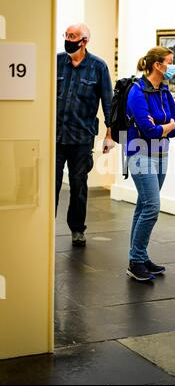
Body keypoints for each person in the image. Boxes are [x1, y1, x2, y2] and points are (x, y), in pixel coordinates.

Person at [56, 23, 114, 247]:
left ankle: (77, 229)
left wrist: (110, 135)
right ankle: (45, 226)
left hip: (82, 136)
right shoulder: (58, 62)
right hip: (56, 135)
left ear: (84, 41)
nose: (68, 39)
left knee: (79, 184)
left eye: (73, 36)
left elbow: (108, 103)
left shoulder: (98, 67)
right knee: (52, 184)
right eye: (67, 35)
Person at [125, 47, 175, 281]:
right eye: (170, 62)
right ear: (157, 65)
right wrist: (163, 127)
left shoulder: (164, 92)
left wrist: (163, 128)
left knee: (143, 205)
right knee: (152, 207)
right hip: (140, 154)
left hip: (161, 154)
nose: (172, 66)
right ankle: (136, 260)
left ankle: (139, 255)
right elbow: (148, 130)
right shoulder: (137, 92)